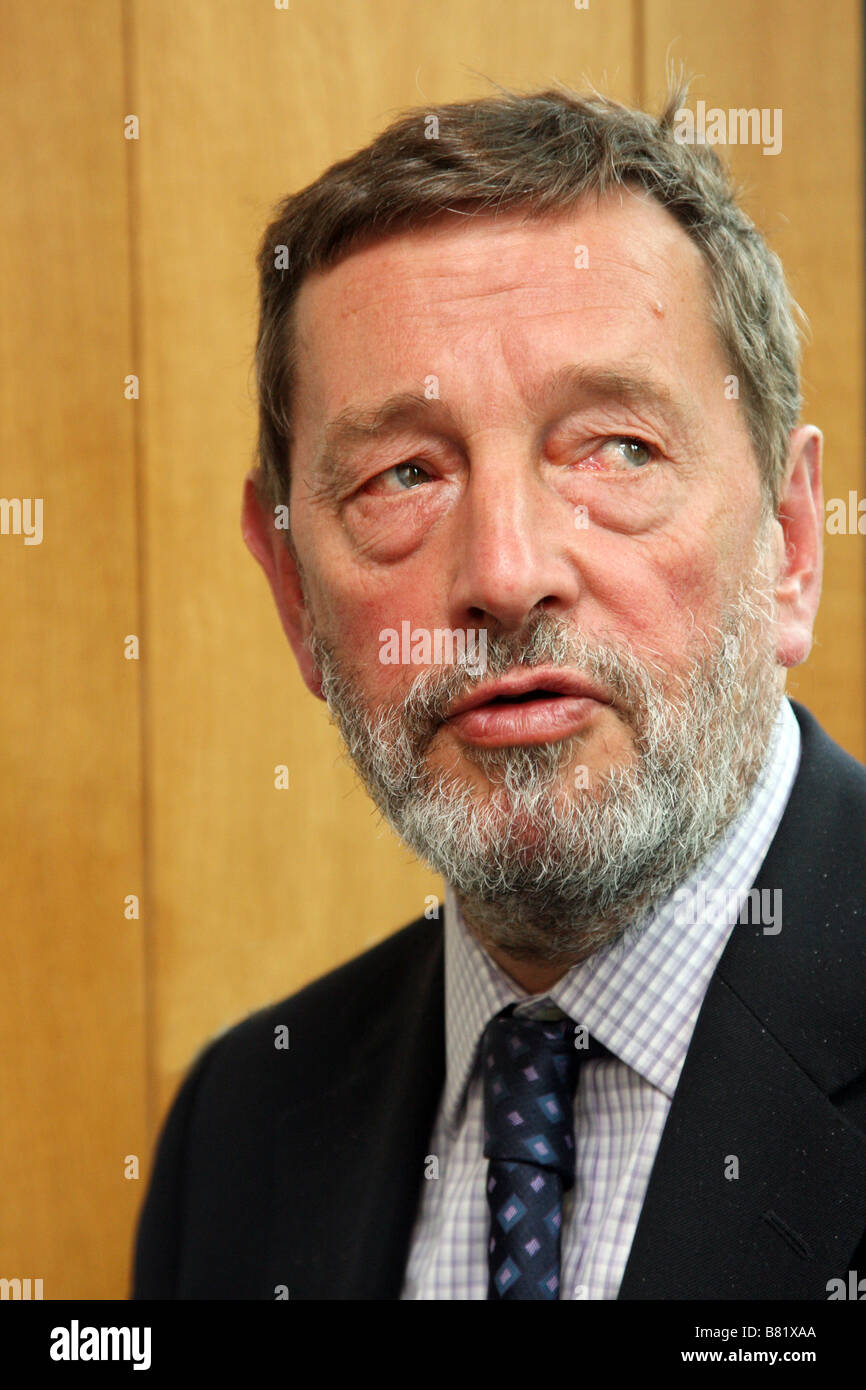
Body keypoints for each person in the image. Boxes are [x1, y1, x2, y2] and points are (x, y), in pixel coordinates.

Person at [131, 79, 866, 1301]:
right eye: (403, 475)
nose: (504, 574)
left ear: (788, 545)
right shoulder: (241, 1131)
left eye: (615, 448)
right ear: (294, 600)